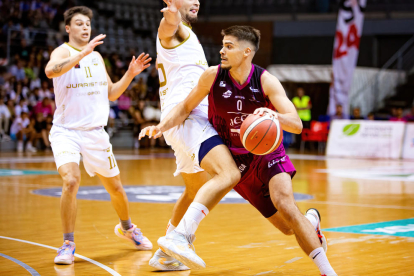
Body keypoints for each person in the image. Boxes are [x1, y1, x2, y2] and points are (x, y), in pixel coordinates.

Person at [140, 25, 337, 276]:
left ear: (247, 52)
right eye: (223, 45)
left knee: (285, 203)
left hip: (268, 154)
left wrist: (273, 115)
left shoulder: (265, 80)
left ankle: (327, 271)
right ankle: (310, 222)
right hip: (238, 163)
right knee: (288, 228)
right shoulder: (212, 76)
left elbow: (296, 124)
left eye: (228, 46)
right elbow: (185, 107)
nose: (221, 50)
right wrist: (161, 126)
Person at [44, 6, 153, 265]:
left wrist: (130, 73)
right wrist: (81, 53)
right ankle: (67, 243)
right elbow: (51, 71)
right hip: (66, 131)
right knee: (71, 181)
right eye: (79, 24)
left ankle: (127, 228)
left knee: (115, 188)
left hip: (95, 134)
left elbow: (112, 93)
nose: (85, 27)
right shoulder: (63, 51)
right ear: (68, 28)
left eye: (87, 24)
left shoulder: (96, 58)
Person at [145, 0, 241, 271]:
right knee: (229, 174)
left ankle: (165, 255)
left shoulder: (189, 35)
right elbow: (167, 28)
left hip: (181, 123)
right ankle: (180, 238)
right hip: (188, 120)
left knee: (195, 189)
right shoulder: (175, 31)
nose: (197, 0)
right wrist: (172, 15)